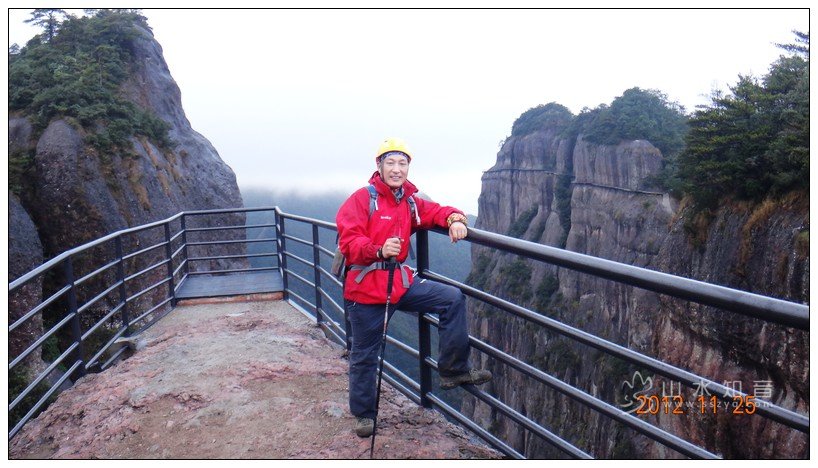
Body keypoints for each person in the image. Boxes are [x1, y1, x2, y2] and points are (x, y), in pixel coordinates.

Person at [335, 137, 492, 438]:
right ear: (379, 166)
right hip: (366, 289)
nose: (397, 169)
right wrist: (378, 250)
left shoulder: (408, 201)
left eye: (402, 163)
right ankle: (364, 414)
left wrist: (455, 219)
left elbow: (437, 211)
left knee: (451, 298)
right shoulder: (362, 199)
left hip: (400, 283)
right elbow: (349, 241)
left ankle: (453, 369)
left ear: (408, 167)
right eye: (390, 163)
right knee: (365, 354)